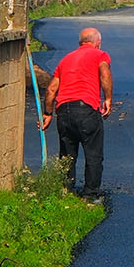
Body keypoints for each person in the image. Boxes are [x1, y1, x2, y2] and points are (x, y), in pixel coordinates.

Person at [41, 26, 113, 199]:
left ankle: (66, 192)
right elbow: (104, 74)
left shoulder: (66, 59)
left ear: (80, 42)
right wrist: (108, 98)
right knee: (93, 154)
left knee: (67, 155)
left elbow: (51, 90)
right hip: (86, 109)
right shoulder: (100, 55)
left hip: (64, 112)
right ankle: (90, 194)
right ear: (98, 43)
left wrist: (48, 114)